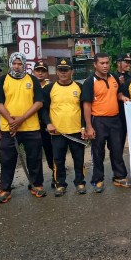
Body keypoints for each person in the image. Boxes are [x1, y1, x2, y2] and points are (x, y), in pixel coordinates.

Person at [0, 52, 45, 204]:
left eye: (19, 63)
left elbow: (39, 102)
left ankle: (36, 184)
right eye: (14, 63)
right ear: (10, 64)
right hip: (9, 128)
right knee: (7, 159)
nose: (17, 66)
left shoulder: (32, 80)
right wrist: (11, 120)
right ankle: (5, 189)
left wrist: (21, 118)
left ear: (24, 64)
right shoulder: (3, 80)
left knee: (34, 158)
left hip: (31, 127)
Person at [81, 53, 131, 192]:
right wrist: (88, 127)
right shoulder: (90, 81)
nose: (105, 66)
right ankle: (98, 179)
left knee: (117, 149)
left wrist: (123, 98)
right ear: (95, 65)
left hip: (115, 119)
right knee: (98, 152)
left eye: (107, 63)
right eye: (102, 63)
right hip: (98, 120)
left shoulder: (114, 77)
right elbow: (86, 105)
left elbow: (118, 93)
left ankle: (119, 176)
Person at [42, 58, 87, 196]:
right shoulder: (49, 88)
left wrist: (84, 127)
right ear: (56, 71)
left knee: (79, 160)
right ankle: (60, 184)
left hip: (76, 131)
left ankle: (80, 183)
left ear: (71, 71)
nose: (63, 73)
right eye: (60, 70)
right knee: (58, 160)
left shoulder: (79, 87)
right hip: (58, 132)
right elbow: (43, 109)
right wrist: (48, 123)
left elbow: (84, 109)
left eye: (66, 70)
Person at [33, 60, 55, 187]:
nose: (40, 73)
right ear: (34, 71)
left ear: (47, 73)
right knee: (34, 155)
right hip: (32, 125)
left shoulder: (51, 87)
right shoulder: (29, 86)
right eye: (38, 70)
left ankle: (55, 175)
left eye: (43, 71)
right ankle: (36, 180)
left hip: (47, 125)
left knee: (51, 152)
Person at [112, 53, 131, 158]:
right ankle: (118, 171)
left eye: (130, 62)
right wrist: (119, 83)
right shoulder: (112, 77)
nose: (129, 64)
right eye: (126, 62)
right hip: (118, 114)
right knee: (118, 144)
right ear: (118, 63)